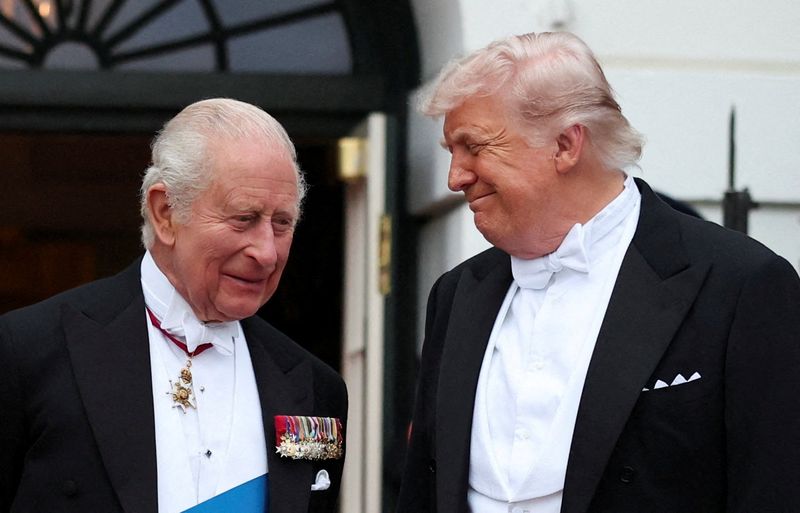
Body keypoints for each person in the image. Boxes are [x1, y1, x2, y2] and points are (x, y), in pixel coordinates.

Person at [396, 32, 800, 513]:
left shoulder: (740, 285)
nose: (455, 177)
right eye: (451, 152)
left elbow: (774, 490)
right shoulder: (457, 293)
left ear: (566, 145)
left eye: (474, 147)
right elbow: (423, 488)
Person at [0, 98, 347, 513]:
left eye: (282, 223)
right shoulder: (28, 351)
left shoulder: (315, 387)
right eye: (244, 218)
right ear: (165, 212)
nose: (267, 253)